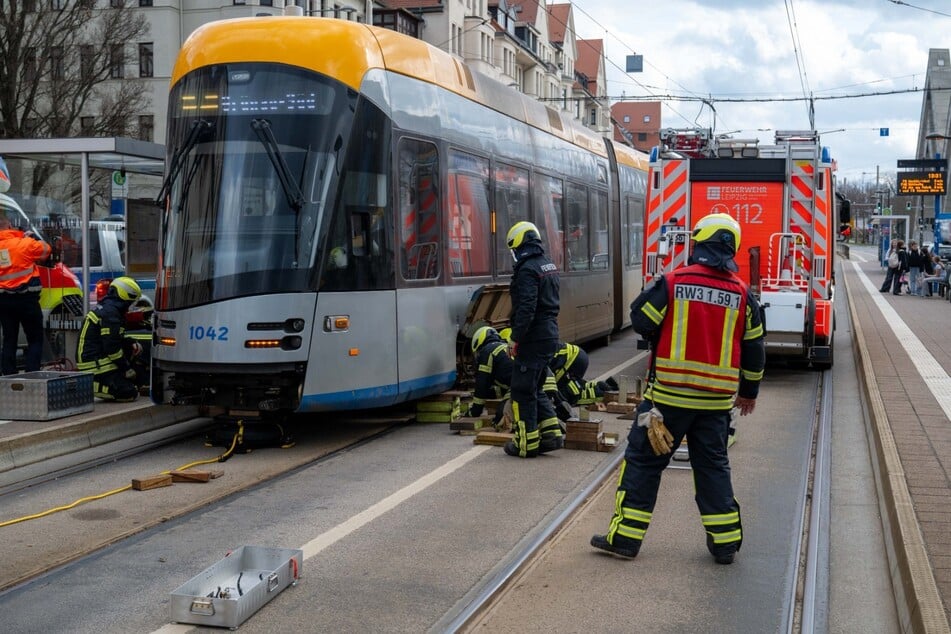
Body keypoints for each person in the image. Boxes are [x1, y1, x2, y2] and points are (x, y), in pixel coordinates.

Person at [591, 213, 765, 565]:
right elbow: (754, 348)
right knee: (713, 467)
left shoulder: (673, 282)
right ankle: (725, 544)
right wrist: (750, 391)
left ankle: (625, 537)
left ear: (701, 242)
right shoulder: (743, 294)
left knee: (642, 464)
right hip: (716, 406)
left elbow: (640, 319)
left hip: (666, 402)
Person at [504, 220, 563, 458]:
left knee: (521, 391)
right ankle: (551, 435)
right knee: (535, 388)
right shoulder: (547, 265)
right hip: (549, 334)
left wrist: (515, 338)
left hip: (533, 337)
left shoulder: (528, 269)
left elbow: (527, 308)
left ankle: (526, 444)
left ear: (520, 243)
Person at [76, 277, 148, 402]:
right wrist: (126, 369)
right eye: (132, 302)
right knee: (129, 393)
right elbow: (112, 348)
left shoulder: (110, 309)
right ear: (126, 297)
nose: (131, 306)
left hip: (99, 358)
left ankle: (117, 380)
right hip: (95, 364)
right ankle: (89, 386)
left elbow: (114, 339)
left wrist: (131, 343)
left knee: (138, 378)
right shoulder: (111, 314)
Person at [0, 214, 52, 375]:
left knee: (9, 339)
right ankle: (32, 374)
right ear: (9, 226)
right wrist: (32, 237)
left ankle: (8, 375)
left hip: (3, 300)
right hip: (27, 299)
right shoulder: (24, 243)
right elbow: (46, 250)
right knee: (35, 339)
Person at [465, 325, 514, 419]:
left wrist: (474, 411)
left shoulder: (486, 351)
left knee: (501, 417)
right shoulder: (505, 347)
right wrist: (489, 393)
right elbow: (506, 381)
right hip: (544, 382)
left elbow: (482, 383)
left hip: (522, 387)